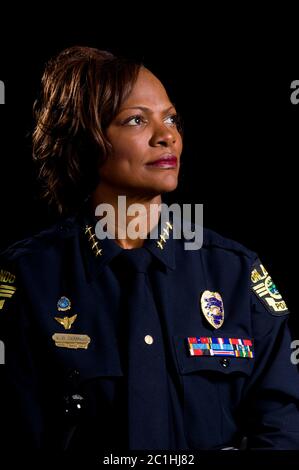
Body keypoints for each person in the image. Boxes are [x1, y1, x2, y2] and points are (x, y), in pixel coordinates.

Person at [0, 45, 299, 454]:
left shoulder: (235, 273)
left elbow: (283, 424)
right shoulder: (27, 278)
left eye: (172, 118)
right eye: (136, 120)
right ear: (87, 138)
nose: (167, 136)